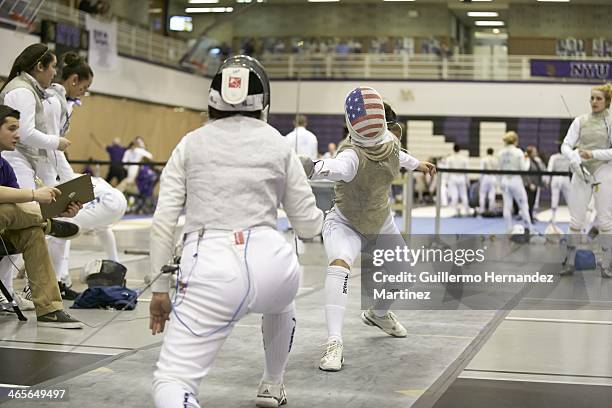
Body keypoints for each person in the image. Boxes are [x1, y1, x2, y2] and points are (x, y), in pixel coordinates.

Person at [149, 55, 323, 408]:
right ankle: (272, 384)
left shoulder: (189, 143)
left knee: (172, 380)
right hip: (272, 261)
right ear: (264, 104)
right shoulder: (278, 143)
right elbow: (307, 226)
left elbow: (163, 221)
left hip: (210, 264)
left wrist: (159, 290)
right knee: (281, 301)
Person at [299, 87, 436, 372]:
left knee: (404, 273)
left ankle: (378, 313)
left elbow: (400, 156)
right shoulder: (350, 156)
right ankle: (334, 343)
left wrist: (419, 165)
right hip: (345, 222)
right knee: (340, 266)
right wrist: (311, 167)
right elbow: (333, 167)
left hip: (380, 220)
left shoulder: (391, 141)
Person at [0, 105, 82, 327]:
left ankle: (49, 310)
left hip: (4, 230)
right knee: (4, 209)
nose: (18, 134)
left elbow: (20, 209)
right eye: (12, 128)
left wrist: (58, 209)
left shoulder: (4, 166)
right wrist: (36, 195)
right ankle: (47, 222)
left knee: (32, 232)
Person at [37, 51, 93, 297]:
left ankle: (56, 282)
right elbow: (52, 145)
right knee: (37, 228)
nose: (84, 91)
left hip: (47, 167)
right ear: (73, 80)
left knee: (61, 224)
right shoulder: (53, 100)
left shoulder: (62, 101)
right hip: (39, 168)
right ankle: (42, 286)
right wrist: (71, 181)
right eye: (84, 86)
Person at [560, 83, 612, 277]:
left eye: (598, 98)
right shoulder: (580, 121)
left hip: (604, 170)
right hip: (582, 171)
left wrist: (593, 153)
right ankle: (570, 261)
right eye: (592, 98)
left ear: (607, 101)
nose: (594, 102)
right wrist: (574, 157)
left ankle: (607, 264)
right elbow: (565, 145)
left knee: (606, 221)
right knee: (576, 219)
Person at [498, 131, 533, 233]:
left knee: (507, 206)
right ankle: (530, 229)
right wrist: (527, 160)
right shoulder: (518, 152)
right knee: (523, 205)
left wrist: (499, 183)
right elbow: (524, 169)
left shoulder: (500, 153)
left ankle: (508, 230)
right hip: (515, 180)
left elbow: (498, 169)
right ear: (515, 140)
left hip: (505, 180)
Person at [545, 151, 570, 224]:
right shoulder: (569, 156)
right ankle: (573, 217)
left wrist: (547, 180)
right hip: (565, 178)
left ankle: (553, 217)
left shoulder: (554, 157)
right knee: (569, 198)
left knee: (554, 197)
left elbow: (549, 169)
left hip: (556, 178)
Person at [446, 144, 470, 216]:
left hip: (453, 177)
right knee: (464, 195)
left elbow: (447, 170)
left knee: (454, 195)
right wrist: (467, 181)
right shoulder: (464, 158)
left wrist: (446, 181)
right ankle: (467, 211)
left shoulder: (449, 158)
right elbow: (466, 170)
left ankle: (456, 211)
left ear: (453, 149)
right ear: (459, 150)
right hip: (461, 177)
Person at [524, 145, 546, 221]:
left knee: (532, 202)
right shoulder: (527, 161)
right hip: (530, 185)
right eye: (534, 152)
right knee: (529, 202)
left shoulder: (535, 161)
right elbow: (525, 173)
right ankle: (528, 218)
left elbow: (540, 171)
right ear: (530, 153)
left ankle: (530, 217)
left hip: (535, 184)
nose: (536, 153)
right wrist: (530, 184)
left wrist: (542, 183)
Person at [479, 148, 498, 214]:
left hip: (485, 177)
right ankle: (491, 210)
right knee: (492, 194)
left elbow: (481, 170)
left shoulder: (484, 159)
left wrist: (480, 179)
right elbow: (497, 170)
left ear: (487, 152)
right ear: (492, 152)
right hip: (493, 177)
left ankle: (482, 210)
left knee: (482, 194)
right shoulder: (495, 160)